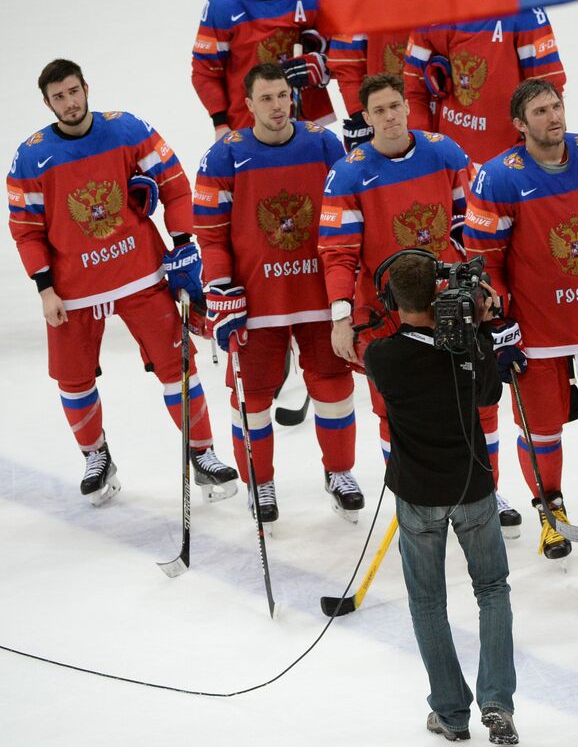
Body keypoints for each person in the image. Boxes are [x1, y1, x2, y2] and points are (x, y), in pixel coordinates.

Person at [7, 58, 236, 504]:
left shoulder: (128, 129)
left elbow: (173, 184)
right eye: (59, 97)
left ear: (86, 88)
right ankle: (96, 456)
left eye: (74, 91)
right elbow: (26, 230)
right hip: (73, 289)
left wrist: (184, 241)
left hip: (141, 273)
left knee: (178, 367)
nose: (69, 102)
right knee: (73, 380)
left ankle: (203, 453)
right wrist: (44, 287)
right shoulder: (31, 156)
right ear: (46, 102)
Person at [314, 73, 526, 531]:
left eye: (396, 106)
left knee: (479, 402)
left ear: (407, 107)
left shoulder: (444, 152)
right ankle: (412, 502)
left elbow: (470, 227)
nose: (390, 117)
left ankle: (486, 488)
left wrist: (482, 284)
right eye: (379, 111)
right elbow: (338, 254)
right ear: (365, 118)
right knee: (394, 408)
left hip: (450, 302)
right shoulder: (348, 173)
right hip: (386, 313)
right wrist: (339, 316)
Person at [400, 10, 564, 523]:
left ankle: (484, 486)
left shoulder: (522, 7)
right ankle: (455, 484)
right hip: (454, 184)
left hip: (509, 187)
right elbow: (413, 81)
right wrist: (428, 146)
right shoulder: (435, 5)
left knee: (482, 358)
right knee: (447, 353)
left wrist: (528, 159)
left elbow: (548, 83)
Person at [461, 79, 578, 560]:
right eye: (540, 111)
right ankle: (551, 515)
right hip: (537, 330)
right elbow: (483, 262)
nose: (553, 117)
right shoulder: (497, 177)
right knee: (540, 429)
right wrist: (498, 323)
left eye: (556, 107)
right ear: (519, 125)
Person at [362, 252, 518, 747]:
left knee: (428, 603)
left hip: (417, 497)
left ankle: (451, 713)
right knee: (492, 590)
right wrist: (484, 329)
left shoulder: (380, 358)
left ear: (392, 301)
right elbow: (491, 394)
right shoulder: (466, 348)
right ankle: (497, 700)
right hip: (472, 490)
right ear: (438, 294)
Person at [193, 62, 360, 524]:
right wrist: (222, 286)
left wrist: (349, 282)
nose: (277, 106)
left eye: (283, 95)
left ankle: (340, 473)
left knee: (332, 386)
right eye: (265, 98)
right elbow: (210, 233)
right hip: (255, 300)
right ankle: (259, 482)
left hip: (317, 293)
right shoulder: (222, 157)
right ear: (247, 105)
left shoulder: (324, 143)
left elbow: (348, 212)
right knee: (254, 395)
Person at [191, 0, 334, 137]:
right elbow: (204, 71)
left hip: (306, 123)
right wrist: (220, 123)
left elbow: (349, 52)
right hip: (247, 125)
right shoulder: (222, 5)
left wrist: (323, 64)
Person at [403, 9, 566, 162]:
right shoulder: (433, 10)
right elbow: (414, 91)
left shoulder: (525, 11)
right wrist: (424, 152)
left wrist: (548, 156)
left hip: (512, 159)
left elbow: (549, 90)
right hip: (451, 159)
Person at [327, 30, 413, 151]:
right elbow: (348, 65)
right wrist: (358, 113)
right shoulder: (356, 13)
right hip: (382, 115)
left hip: (437, 111)